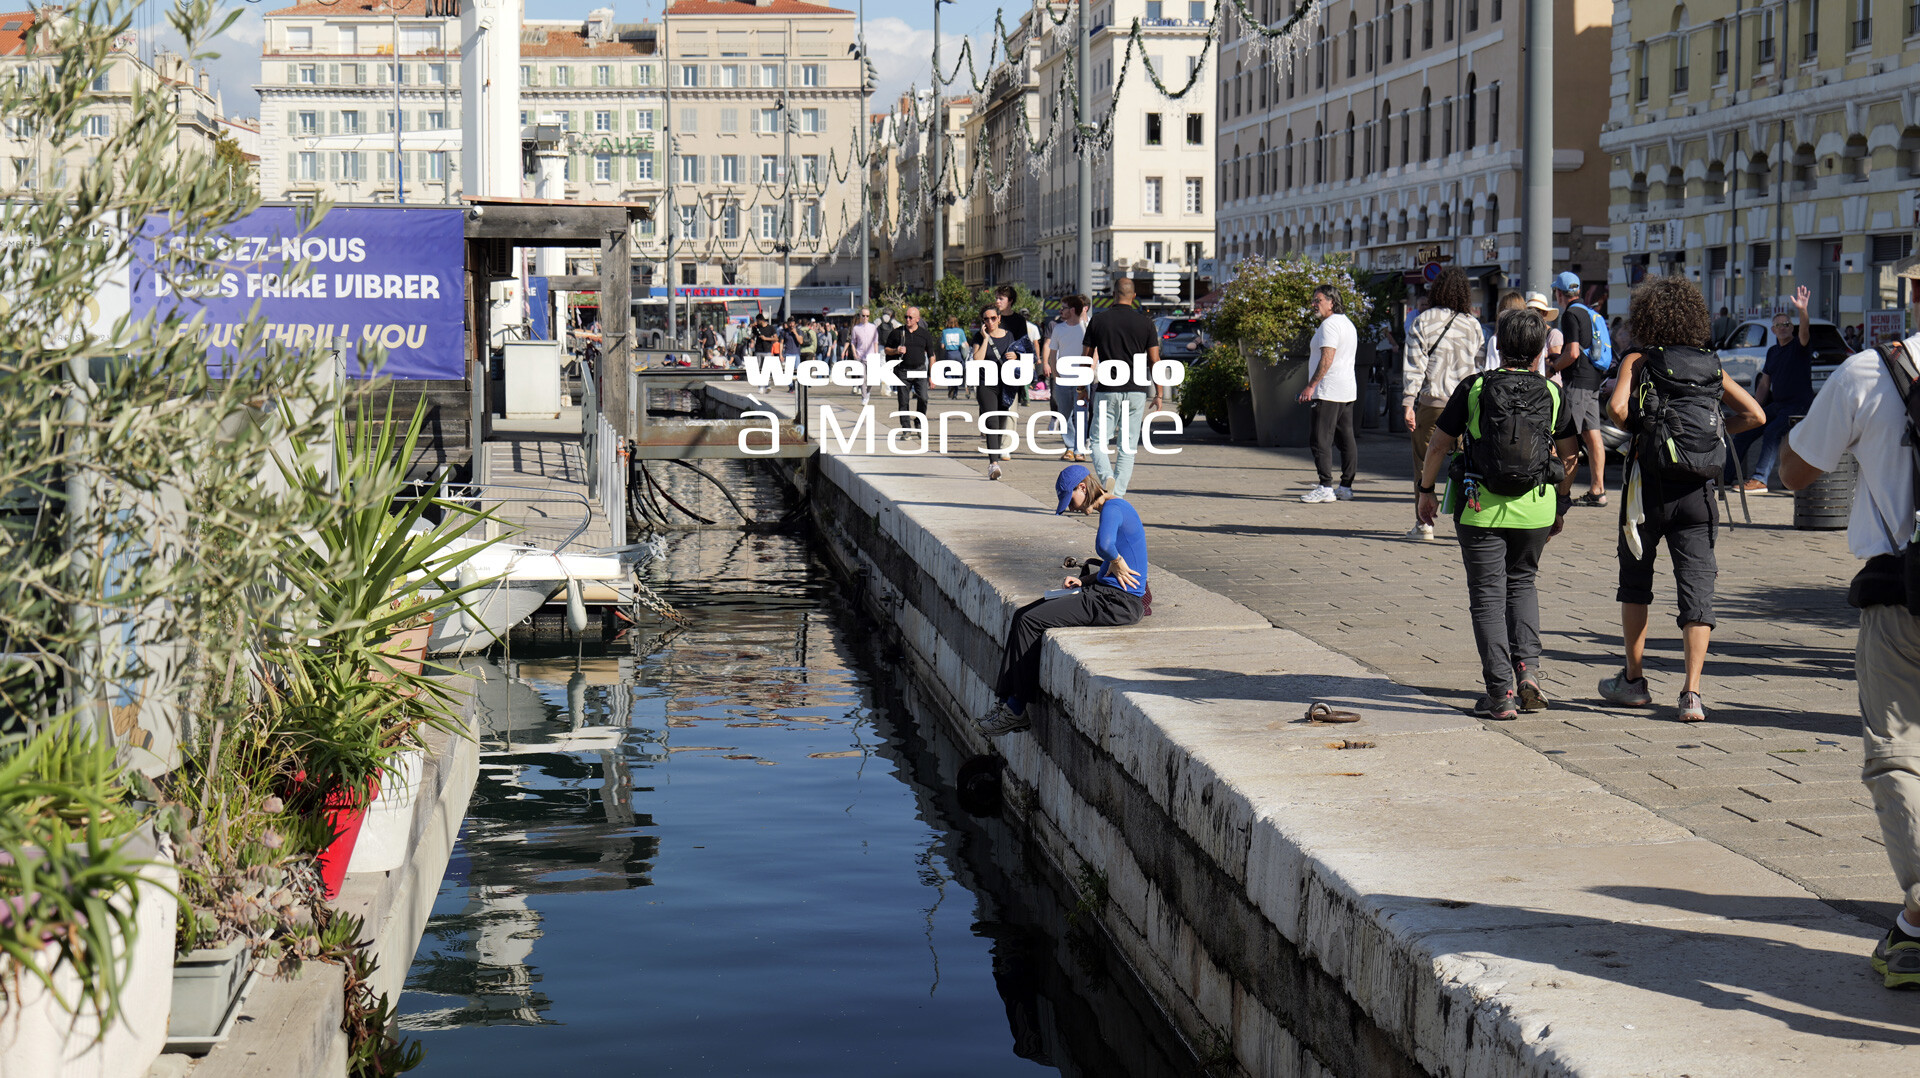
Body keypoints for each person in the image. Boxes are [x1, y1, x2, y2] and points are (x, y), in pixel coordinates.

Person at [1781, 327, 1920, 990]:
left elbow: (1797, 469)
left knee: (1896, 750)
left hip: (1902, 593)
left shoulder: (1873, 372)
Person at [1598, 276, 1765, 722]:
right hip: (1698, 493)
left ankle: (1633, 682)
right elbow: (1756, 414)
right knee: (1697, 589)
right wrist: (1710, 440)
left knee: (1636, 582)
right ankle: (1691, 693)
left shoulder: (1641, 358)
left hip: (1646, 488)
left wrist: (1649, 429)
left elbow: (1616, 409)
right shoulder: (1712, 364)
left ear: (1646, 317)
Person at [1415, 309, 1579, 719]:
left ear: (1499, 346)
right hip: (1536, 508)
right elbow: (1571, 453)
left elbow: (1438, 445)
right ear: (1541, 351)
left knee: (1487, 598)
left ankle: (1501, 693)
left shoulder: (1474, 388)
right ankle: (1529, 674)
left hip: (1479, 508)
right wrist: (1560, 502)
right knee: (1523, 584)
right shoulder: (1554, 393)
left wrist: (1425, 491)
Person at [977, 465, 1148, 736]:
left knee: (1031, 621)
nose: (1071, 508)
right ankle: (1006, 704)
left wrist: (1115, 559)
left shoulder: (1114, 508)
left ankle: (1015, 710)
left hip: (1118, 603)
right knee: (1023, 614)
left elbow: (1105, 546)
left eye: (1071, 501)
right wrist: (1086, 581)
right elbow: (1110, 564)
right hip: (1106, 595)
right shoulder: (1115, 509)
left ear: (1083, 487)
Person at [1401, 268, 1486, 534]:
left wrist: (1408, 401)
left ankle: (1423, 523)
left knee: (1423, 464)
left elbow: (1415, 365)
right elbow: (1480, 365)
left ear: (1437, 290)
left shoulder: (1423, 321)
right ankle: (1468, 521)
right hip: (1466, 405)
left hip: (1432, 402)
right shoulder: (1473, 324)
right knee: (1468, 465)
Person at [1728, 286, 1817, 493]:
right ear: (1773, 330)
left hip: (1798, 405)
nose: (1783, 327)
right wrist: (1754, 411)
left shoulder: (1799, 347)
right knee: (1744, 430)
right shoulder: (1772, 352)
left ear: (1791, 328)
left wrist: (1803, 310)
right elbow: (1764, 384)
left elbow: (1805, 330)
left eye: (1787, 324)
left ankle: (1760, 479)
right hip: (1778, 405)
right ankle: (1724, 477)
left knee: (1771, 432)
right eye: (1779, 325)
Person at [1082, 278, 1161, 498]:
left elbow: (1086, 358)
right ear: (1133, 296)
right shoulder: (1146, 323)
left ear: (1113, 294)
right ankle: (1118, 494)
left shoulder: (1098, 321)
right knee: (1127, 446)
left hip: (1108, 389)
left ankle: (1107, 475)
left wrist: (1081, 387)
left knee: (1097, 441)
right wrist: (1160, 393)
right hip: (1136, 391)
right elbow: (1155, 360)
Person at [1545, 272, 1611, 509]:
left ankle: (1560, 491)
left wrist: (1554, 366)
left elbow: (1572, 352)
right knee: (1592, 435)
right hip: (1593, 380)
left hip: (1578, 384)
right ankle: (1598, 489)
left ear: (1560, 294)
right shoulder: (1589, 312)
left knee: (1565, 437)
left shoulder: (1571, 315)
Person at [1299, 284, 1360, 503]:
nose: (1314, 304)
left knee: (1320, 439)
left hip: (1328, 391)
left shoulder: (1329, 326)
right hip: (1346, 390)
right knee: (1345, 439)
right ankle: (1345, 487)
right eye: (1314, 300)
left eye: (1318, 300)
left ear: (1331, 302)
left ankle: (1325, 486)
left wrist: (1311, 385)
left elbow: (1327, 358)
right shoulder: (1347, 324)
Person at [972, 303, 1021, 480]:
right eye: (986, 319)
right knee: (991, 421)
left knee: (1000, 424)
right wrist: (985, 338)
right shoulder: (979, 337)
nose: (990, 321)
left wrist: (1015, 356)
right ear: (983, 321)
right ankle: (993, 464)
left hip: (1006, 385)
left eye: (993, 318)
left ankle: (995, 454)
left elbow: (1017, 354)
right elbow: (977, 359)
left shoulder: (1009, 336)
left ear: (999, 319)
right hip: (987, 384)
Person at [1045, 295, 1092, 462]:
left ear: (1072, 310)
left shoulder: (1087, 327)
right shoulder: (1059, 329)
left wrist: (1091, 370)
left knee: (1081, 414)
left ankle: (1079, 450)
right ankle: (1069, 447)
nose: (1060, 310)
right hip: (1063, 379)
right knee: (1064, 415)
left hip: (1082, 379)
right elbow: (1052, 352)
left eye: (1063, 307)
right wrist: (1055, 372)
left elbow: (1095, 350)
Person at [887, 305, 937, 437]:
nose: (907, 319)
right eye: (906, 317)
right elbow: (887, 349)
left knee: (923, 398)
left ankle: (919, 422)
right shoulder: (897, 332)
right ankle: (906, 428)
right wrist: (896, 350)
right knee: (903, 401)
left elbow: (932, 355)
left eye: (910, 317)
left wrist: (932, 375)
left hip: (920, 370)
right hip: (903, 371)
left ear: (917, 319)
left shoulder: (924, 334)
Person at [849, 307, 881, 406]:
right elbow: (853, 342)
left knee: (871, 378)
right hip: (861, 355)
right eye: (863, 316)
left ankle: (867, 391)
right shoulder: (856, 328)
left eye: (867, 316)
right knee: (863, 377)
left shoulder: (873, 327)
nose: (865, 318)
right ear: (860, 316)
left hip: (871, 355)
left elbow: (876, 341)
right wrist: (854, 353)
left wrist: (876, 354)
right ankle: (864, 396)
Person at [941, 314, 969, 400]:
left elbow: (942, 346)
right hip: (958, 354)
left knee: (949, 372)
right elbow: (966, 344)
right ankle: (955, 393)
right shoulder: (960, 331)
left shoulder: (944, 332)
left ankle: (950, 386)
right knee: (957, 374)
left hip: (949, 354)